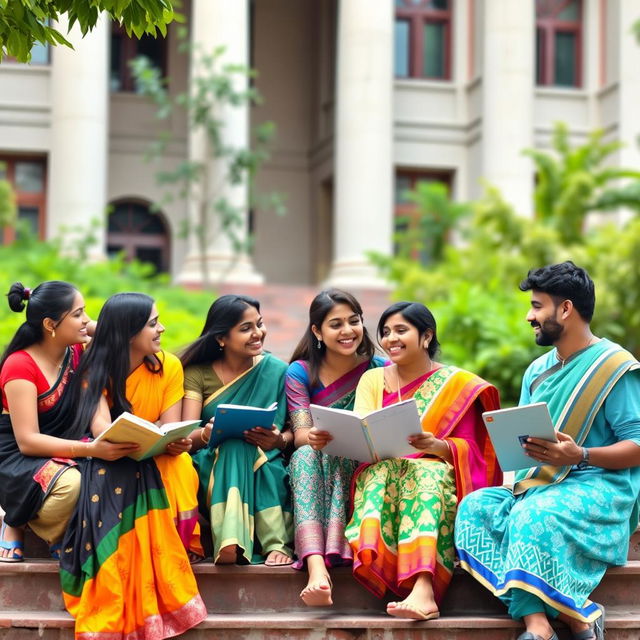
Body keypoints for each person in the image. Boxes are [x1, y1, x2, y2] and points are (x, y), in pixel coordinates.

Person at [455, 261, 640, 640]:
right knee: (474, 509)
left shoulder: (615, 367)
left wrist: (581, 456)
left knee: (531, 516)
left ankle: (551, 623)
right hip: (540, 484)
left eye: (537, 306)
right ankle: (555, 620)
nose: (529, 316)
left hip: (601, 485)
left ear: (566, 309)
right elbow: (524, 446)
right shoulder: (537, 370)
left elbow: (637, 445)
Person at [60, 292, 207, 638]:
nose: (162, 328)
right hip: (112, 456)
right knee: (116, 475)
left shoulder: (169, 365)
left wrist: (176, 441)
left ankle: (178, 547)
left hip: (156, 453)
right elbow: (100, 431)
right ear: (128, 332)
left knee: (182, 464)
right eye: (153, 323)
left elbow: (170, 426)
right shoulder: (95, 367)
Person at [345, 301, 501, 620]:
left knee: (425, 474)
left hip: (434, 473)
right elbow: (361, 431)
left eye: (401, 331)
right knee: (381, 473)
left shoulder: (458, 385)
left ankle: (424, 588)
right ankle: (382, 562)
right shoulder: (373, 380)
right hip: (384, 469)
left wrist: (438, 445)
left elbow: (476, 449)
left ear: (426, 336)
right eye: (386, 332)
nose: (391, 339)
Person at [0, 281, 137, 563]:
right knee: (73, 485)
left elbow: (118, 333)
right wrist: (91, 450)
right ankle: (15, 516)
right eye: (78, 314)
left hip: (69, 445)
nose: (86, 320)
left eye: (84, 311)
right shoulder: (20, 366)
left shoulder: (75, 350)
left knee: (117, 472)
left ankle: (63, 531)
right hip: (21, 457)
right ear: (50, 324)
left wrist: (85, 324)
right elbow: (28, 441)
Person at [286, 289, 386, 606]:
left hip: (365, 460)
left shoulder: (380, 368)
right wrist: (315, 436)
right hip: (317, 457)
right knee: (304, 455)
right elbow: (300, 433)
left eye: (353, 321)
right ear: (317, 331)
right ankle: (316, 568)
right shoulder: (300, 372)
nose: (347, 331)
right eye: (336, 324)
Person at [181, 294, 293, 565]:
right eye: (246, 328)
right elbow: (186, 435)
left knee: (245, 450)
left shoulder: (277, 370)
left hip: (266, 460)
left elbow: (293, 431)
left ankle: (233, 539)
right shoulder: (198, 373)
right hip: (212, 463)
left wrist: (279, 440)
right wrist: (207, 433)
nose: (258, 333)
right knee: (232, 446)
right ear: (221, 338)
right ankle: (269, 542)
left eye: (260, 324)